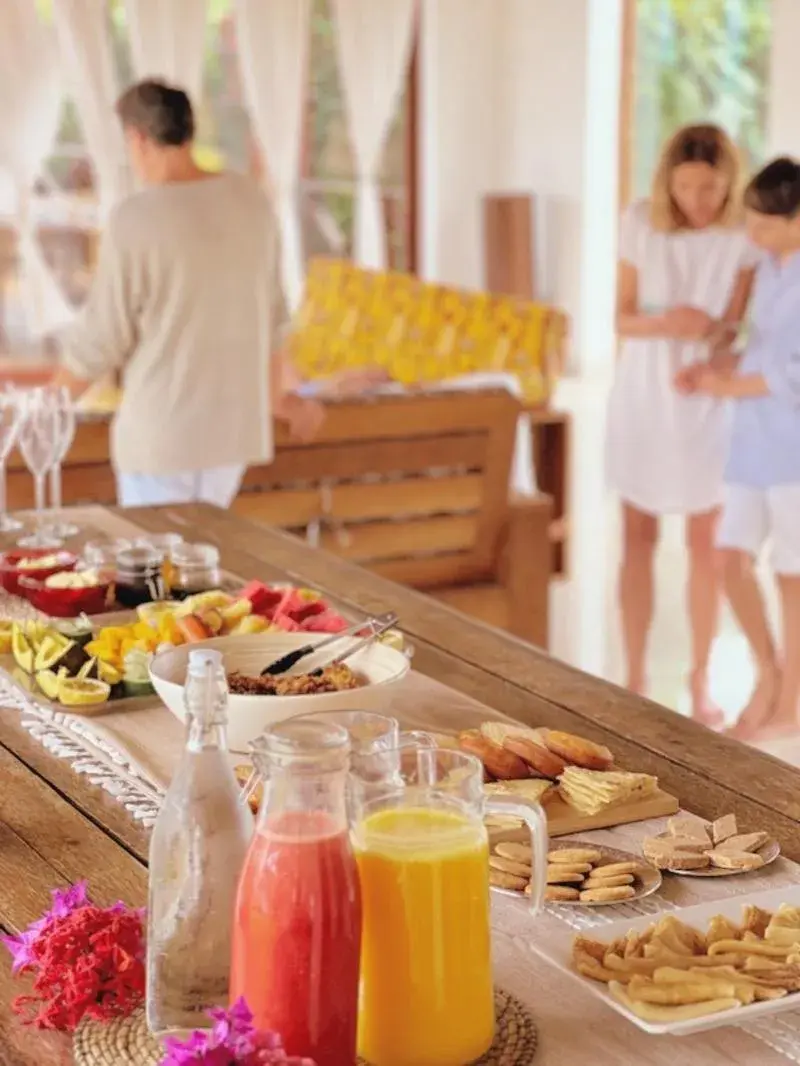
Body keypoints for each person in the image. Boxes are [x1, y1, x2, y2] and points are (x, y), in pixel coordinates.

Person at [51, 79, 324, 508]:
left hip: (163, 438)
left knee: (155, 574)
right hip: (231, 439)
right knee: (206, 568)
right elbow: (273, 317)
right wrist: (278, 399)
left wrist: (43, 409)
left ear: (137, 138)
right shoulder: (250, 202)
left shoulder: (136, 219)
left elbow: (101, 339)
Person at [606, 124, 758, 726]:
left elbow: (736, 328)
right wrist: (673, 321)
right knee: (637, 537)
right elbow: (620, 318)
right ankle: (636, 672)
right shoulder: (640, 221)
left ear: (729, 185)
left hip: (706, 401)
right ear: (669, 181)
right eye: (689, 186)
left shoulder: (742, 234)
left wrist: (713, 337)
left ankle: (699, 680)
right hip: (645, 394)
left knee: (707, 547)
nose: (700, 199)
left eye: (712, 188)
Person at [677, 158, 800, 739]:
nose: (752, 233)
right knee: (730, 561)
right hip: (752, 444)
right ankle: (770, 674)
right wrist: (716, 366)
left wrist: (723, 384)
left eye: (765, 224)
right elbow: (763, 351)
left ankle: (788, 700)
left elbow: (793, 373)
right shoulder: (772, 270)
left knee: (792, 577)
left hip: (793, 449)